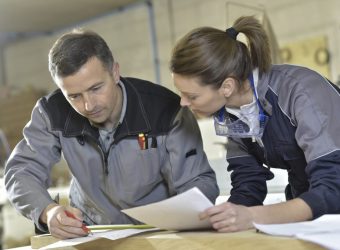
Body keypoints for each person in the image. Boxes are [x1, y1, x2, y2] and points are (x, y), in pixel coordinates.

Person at [4, 29, 219, 239]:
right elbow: (21, 171)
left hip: (156, 234)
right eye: (74, 96)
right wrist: (47, 211)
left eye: (96, 88)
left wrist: (185, 222)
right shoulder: (51, 112)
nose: (88, 105)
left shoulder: (167, 111)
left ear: (115, 72)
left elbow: (196, 183)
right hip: (90, 234)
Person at [170, 15, 340, 233]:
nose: (183, 103)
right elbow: (248, 182)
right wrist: (225, 218)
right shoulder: (230, 115)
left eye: (192, 96)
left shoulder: (301, 92)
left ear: (227, 86)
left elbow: (334, 187)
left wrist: (253, 216)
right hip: (311, 213)